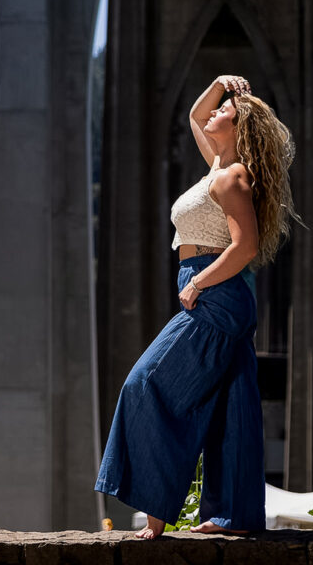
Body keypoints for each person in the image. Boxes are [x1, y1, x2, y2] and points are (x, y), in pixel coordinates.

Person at [94, 74, 298, 539]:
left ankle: (156, 515)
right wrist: (219, 83)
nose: (215, 110)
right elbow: (193, 114)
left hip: (215, 294)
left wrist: (198, 284)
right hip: (213, 292)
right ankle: (233, 518)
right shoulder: (217, 166)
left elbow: (244, 248)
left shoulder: (234, 176)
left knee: (146, 383)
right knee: (231, 408)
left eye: (224, 109)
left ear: (239, 125)